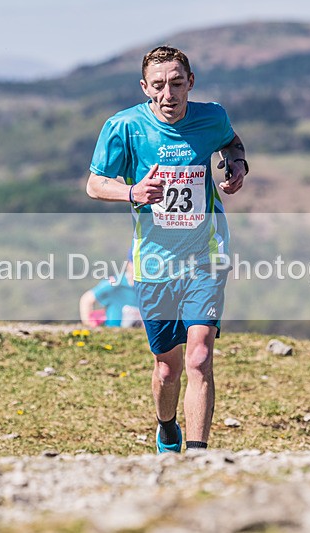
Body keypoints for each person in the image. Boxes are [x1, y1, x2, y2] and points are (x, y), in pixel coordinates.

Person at [85, 45, 248, 453]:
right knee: (167, 367)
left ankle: (197, 456)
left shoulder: (212, 117)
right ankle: (167, 426)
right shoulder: (123, 127)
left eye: (177, 84)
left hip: (206, 255)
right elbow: (94, 184)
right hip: (155, 262)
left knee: (199, 358)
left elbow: (231, 142)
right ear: (145, 88)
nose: (168, 95)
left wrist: (238, 164)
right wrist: (132, 191)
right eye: (158, 86)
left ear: (190, 82)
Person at [79, 251, 140, 328]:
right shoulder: (115, 283)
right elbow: (86, 299)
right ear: (128, 264)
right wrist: (89, 325)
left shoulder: (150, 289)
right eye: (135, 263)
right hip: (114, 336)